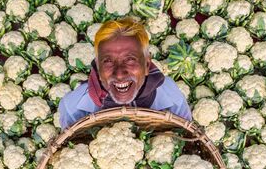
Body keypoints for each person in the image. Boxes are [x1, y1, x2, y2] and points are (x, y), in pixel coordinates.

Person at [57, 17, 193, 130]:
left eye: (130, 59)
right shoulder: (72, 107)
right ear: (98, 68)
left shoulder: (170, 95)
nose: (120, 74)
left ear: (146, 64)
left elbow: (188, 134)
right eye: (108, 61)